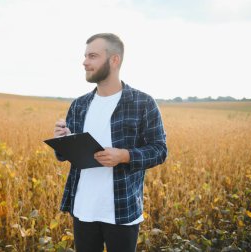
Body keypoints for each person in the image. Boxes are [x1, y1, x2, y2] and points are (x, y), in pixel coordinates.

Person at [53, 33, 168, 252]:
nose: (85, 62)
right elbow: (65, 156)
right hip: (83, 208)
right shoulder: (79, 105)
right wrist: (63, 141)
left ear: (114, 60)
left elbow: (160, 150)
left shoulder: (143, 103)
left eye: (93, 56)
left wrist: (124, 155)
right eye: (85, 56)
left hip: (122, 211)